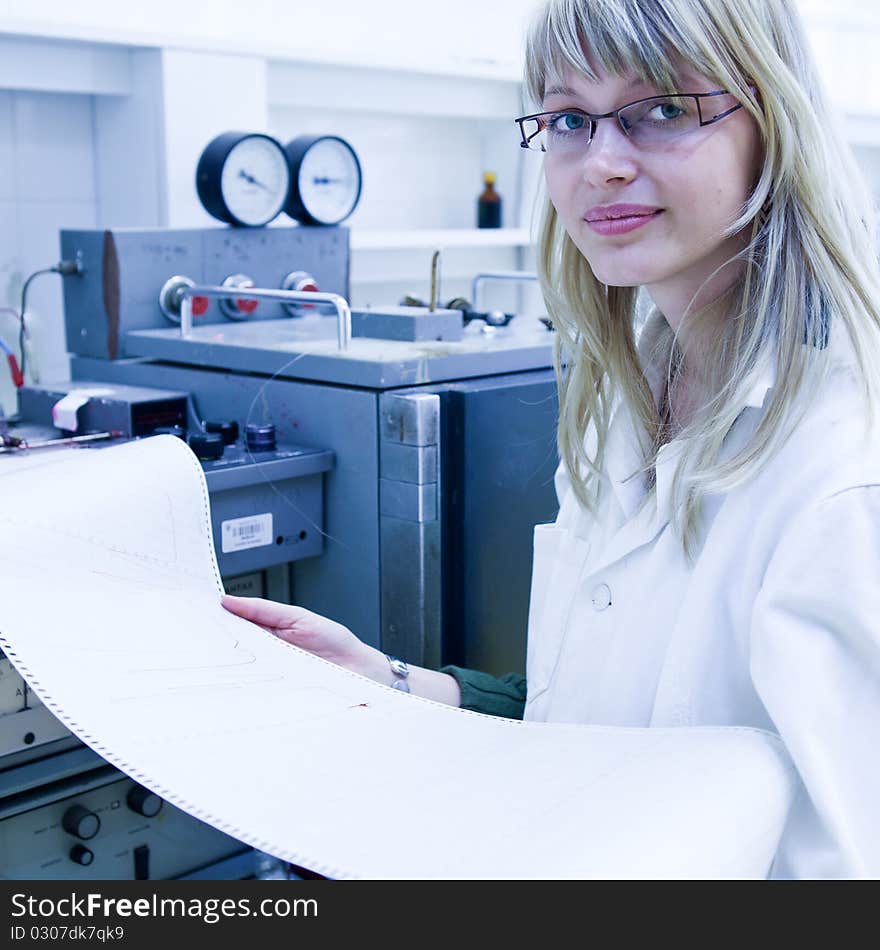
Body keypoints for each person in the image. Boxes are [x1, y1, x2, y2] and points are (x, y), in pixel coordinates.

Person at [223, 0, 880, 878]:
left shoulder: (845, 476)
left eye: (664, 109)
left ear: (773, 122)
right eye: (570, 118)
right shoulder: (623, 405)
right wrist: (386, 682)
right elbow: (586, 716)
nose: (602, 164)